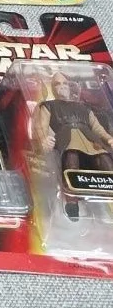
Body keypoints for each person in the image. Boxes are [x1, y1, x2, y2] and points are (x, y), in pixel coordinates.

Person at [33, 72, 113, 220]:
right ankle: (72, 202)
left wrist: (108, 138)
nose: (62, 86)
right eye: (57, 84)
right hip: (67, 138)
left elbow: (97, 127)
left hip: (90, 139)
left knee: (105, 160)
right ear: (53, 88)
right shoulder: (48, 105)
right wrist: (43, 139)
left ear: (70, 86)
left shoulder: (83, 107)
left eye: (64, 83)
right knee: (71, 160)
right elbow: (41, 126)